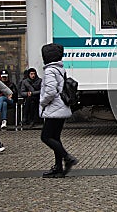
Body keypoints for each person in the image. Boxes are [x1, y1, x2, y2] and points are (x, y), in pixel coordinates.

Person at [40, 43, 78, 178]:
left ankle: (67, 158)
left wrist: (42, 102)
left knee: (45, 137)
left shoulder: (50, 70)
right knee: (55, 137)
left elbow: (50, 91)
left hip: (54, 109)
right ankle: (58, 167)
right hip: (61, 108)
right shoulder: (60, 69)